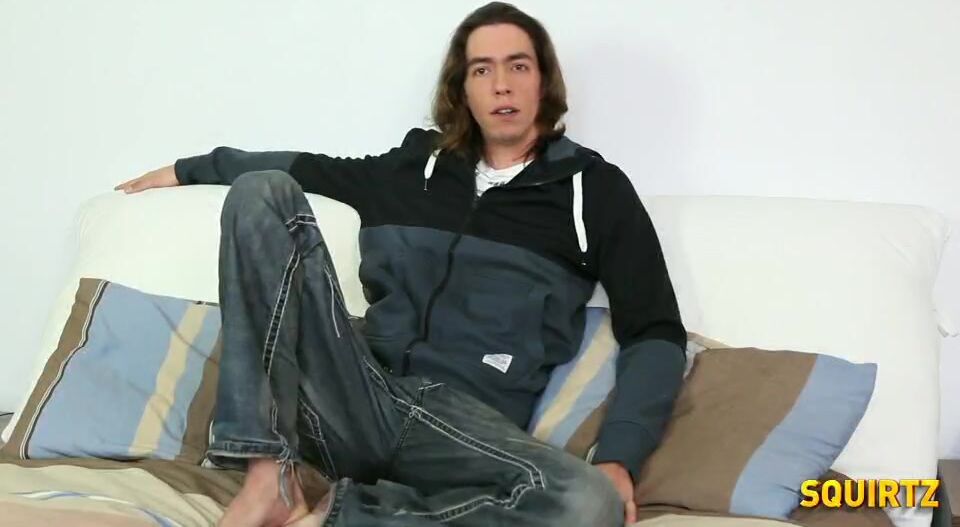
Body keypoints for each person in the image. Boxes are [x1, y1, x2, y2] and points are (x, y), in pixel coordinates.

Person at [115, 3, 686, 526]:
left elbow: (655, 330)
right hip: (353, 392)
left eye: (519, 66)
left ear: (544, 81)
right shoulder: (414, 168)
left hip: (462, 429)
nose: (502, 84)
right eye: (482, 70)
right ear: (462, 88)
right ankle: (269, 479)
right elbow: (306, 168)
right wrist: (192, 168)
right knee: (261, 191)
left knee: (588, 503)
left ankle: (344, 516)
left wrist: (620, 456)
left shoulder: (595, 191)